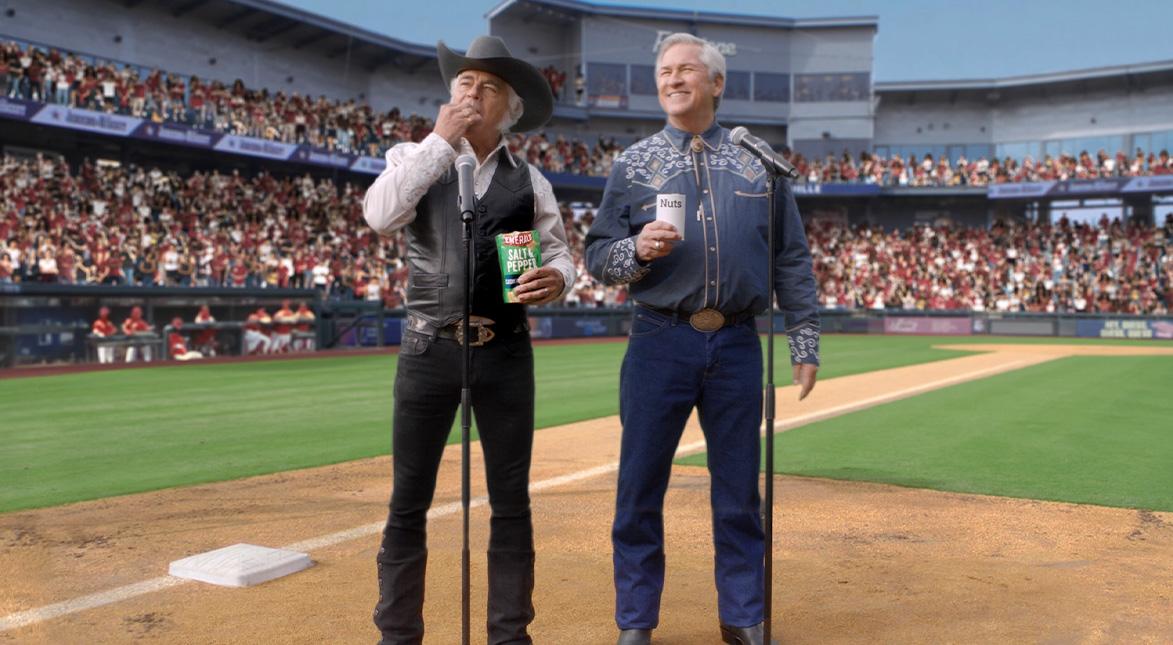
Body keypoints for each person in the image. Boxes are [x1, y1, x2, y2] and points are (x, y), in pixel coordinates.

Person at [584, 33, 820, 645]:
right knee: (639, 488)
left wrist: (804, 340)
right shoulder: (631, 163)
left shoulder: (759, 161)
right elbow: (595, 256)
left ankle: (742, 615)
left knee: (740, 490)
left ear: (716, 83)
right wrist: (634, 251)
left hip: (739, 343)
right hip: (659, 340)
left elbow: (791, 256)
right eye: (664, 71)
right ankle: (635, 622)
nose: (672, 78)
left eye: (686, 69)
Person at [362, 35, 572, 645]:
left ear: (509, 108)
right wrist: (439, 141)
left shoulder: (528, 180)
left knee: (511, 503)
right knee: (408, 502)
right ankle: (397, 634)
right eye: (464, 82)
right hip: (429, 346)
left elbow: (557, 250)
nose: (472, 92)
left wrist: (556, 275)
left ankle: (510, 635)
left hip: (504, 347)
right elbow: (379, 214)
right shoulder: (413, 155)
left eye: (488, 86)